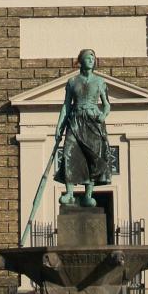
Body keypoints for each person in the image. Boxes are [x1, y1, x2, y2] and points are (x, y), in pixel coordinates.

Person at [53, 49, 112, 206]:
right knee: (69, 154)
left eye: (93, 57)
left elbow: (107, 105)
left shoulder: (100, 82)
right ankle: (70, 193)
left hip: (93, 121)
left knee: (91, 157)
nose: (91, 59)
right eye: (88, 57)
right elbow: (66, 105)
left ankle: (88, 195)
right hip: (75, 120)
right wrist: (59, 125)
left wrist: (103, 115)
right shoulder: (72, 82)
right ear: (81, 61)